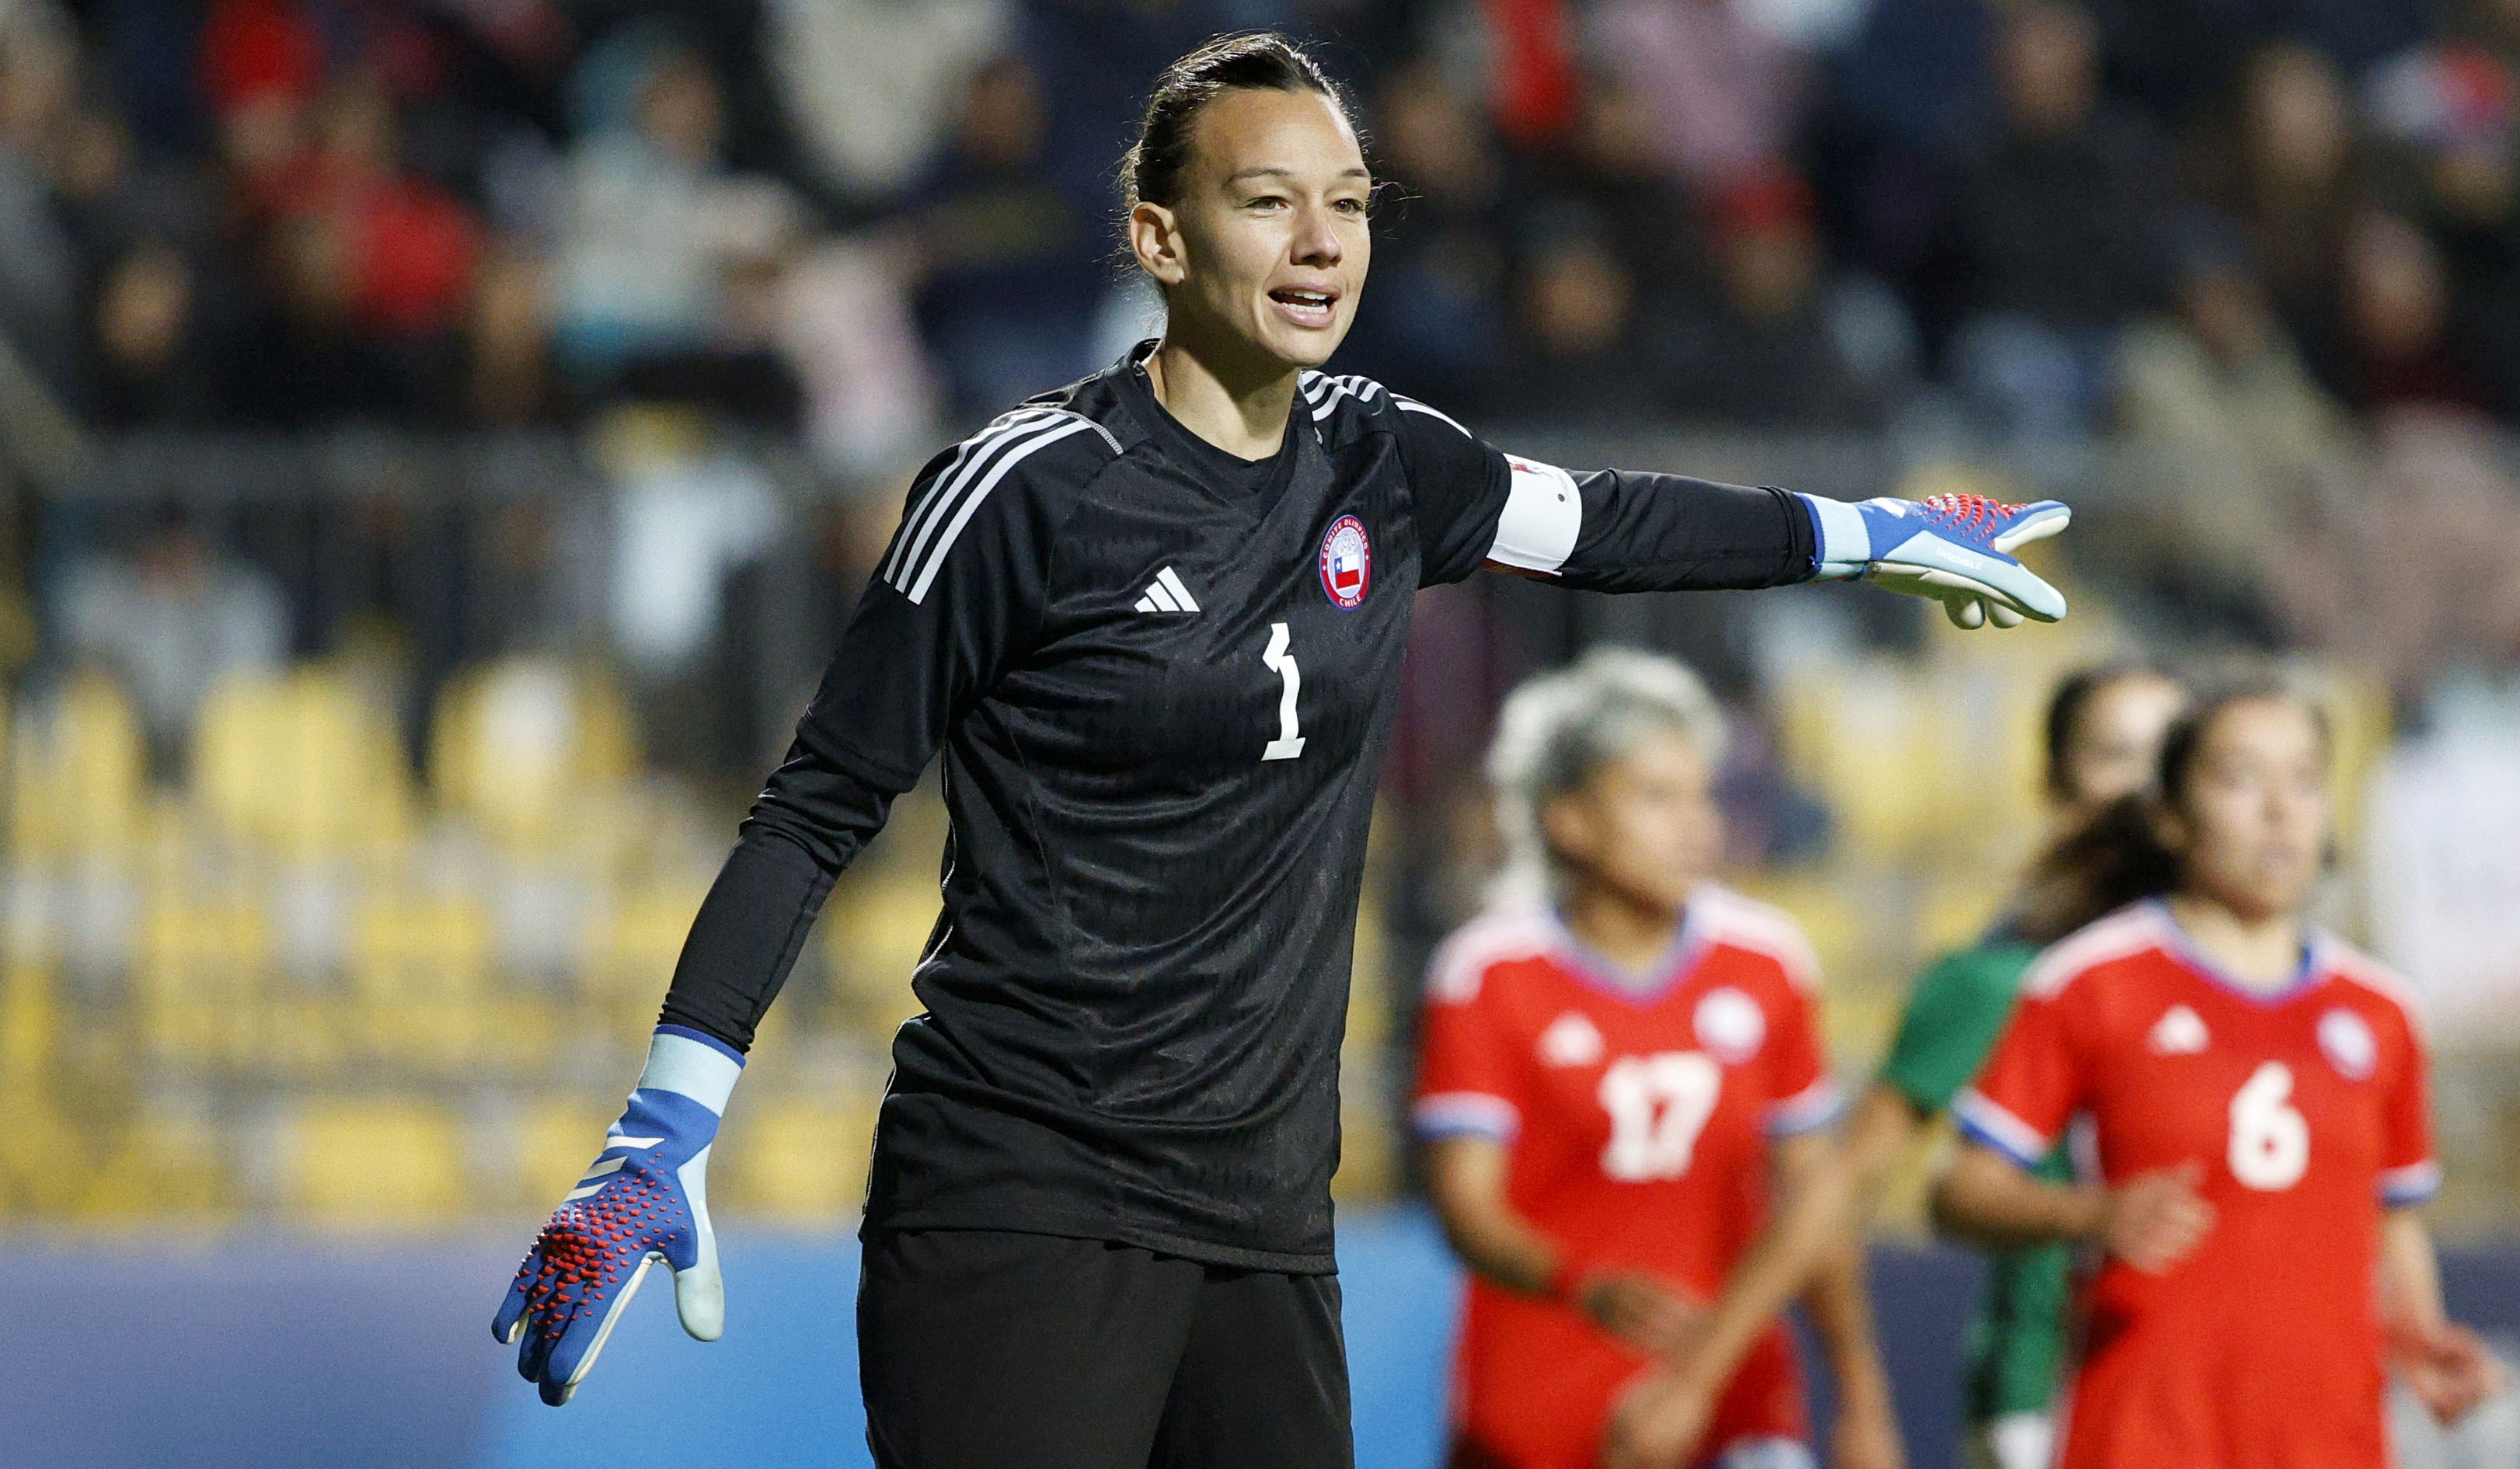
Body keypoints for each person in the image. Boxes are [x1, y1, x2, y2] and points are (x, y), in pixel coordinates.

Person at [489, 33, 2074, 1469]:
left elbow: (1607, 522)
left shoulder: (1385, 457)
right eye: (1266, 202)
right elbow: (813, 809)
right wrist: (661, 1129)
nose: (1321, 242)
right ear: (1160, 238)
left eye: (1348, 203)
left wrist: (1869, 534)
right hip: (1020, 1202)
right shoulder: (1024, 487)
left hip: (1262, 1217)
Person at [1595, 663, 2185, 1469]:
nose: (2139, 790)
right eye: (2110, 755)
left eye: (2167, 755)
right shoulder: (2003, 978)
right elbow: (1837, 1182)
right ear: (2054, 780)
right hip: (2063, 1398)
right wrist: (1697, 1378)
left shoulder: (2294, 980)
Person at [1931, 684, 2504, 1467]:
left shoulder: (2381, 1010)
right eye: (2239, 778)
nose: (2279, 809)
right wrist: (2087, 1214)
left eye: (2304, 780)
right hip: (2142, 1433)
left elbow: (2387, 1218)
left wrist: (2421, 1337)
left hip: (2329, 1439)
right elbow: (1958, 1189)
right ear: (2169, 814)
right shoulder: (2091, 983)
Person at [1415, 650, 1902, 1469]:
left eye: (1701, 795)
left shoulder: (1766, 959)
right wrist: (1579, 1282)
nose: (1695, 823)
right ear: (1568, 819)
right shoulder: (1488, 973)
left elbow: (1813, 1203)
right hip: (1539, 1403)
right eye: (1655, 796)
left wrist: (1859, 1395)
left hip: (1736, 1400)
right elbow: (1466, 1205)